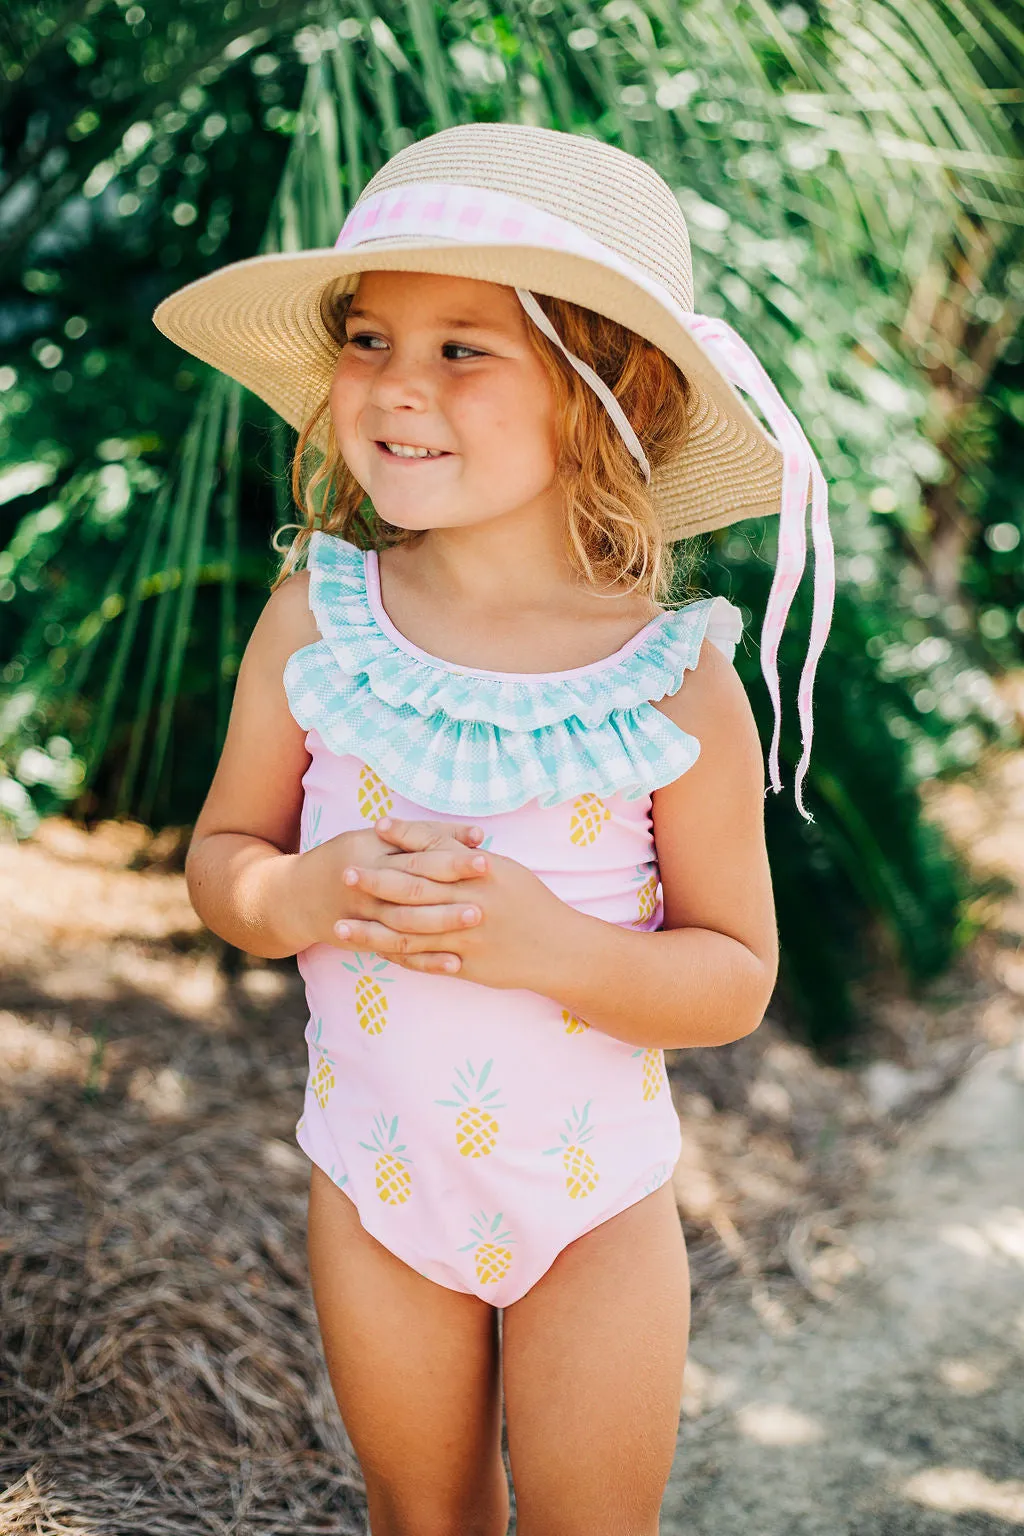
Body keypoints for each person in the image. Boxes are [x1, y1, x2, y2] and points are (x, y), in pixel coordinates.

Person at [153, 122, 834, 1536]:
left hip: (594, 1212)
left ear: (612, 390)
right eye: (369, 339)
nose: (399, 386)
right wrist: (302, 894)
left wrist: (552, 947)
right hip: (381, 1188)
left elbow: (733, 977)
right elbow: (223, 861)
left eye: (465, 348)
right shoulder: (318, 621)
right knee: (423, 1519)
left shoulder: (674, 674)